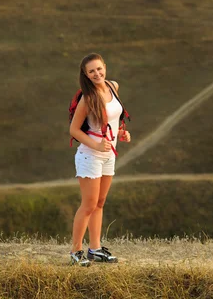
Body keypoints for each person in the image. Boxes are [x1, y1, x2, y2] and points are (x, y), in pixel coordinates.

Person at [69, 53, 131, 266]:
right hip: (90, 155)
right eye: (91, 71)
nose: (97, 74)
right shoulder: (88, 98)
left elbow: (113, 117)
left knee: (100, 203)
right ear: (85, 75)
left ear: (105, 66)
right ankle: (75, 251)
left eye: (99, 68)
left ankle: (95, 249)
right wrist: (95, 144)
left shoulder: (113, 86)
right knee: (88, 204)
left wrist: (121, 132)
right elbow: (74, 130)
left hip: (108, 154)